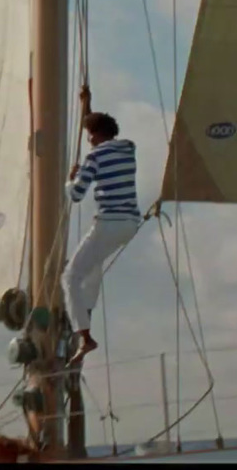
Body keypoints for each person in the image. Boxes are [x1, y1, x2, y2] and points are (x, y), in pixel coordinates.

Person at [62, 85, 141, 366]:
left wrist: (70, 178)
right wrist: (87, 104)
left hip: (108, 223)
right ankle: (86, 312)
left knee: (70, 277)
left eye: (88, 137)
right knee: (92, 267)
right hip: (130, 225)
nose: (88, 142)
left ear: (94, 136)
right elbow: (96, 127)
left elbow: (76, 194)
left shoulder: (94, 157)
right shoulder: (128, 149)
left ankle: (85, 338)